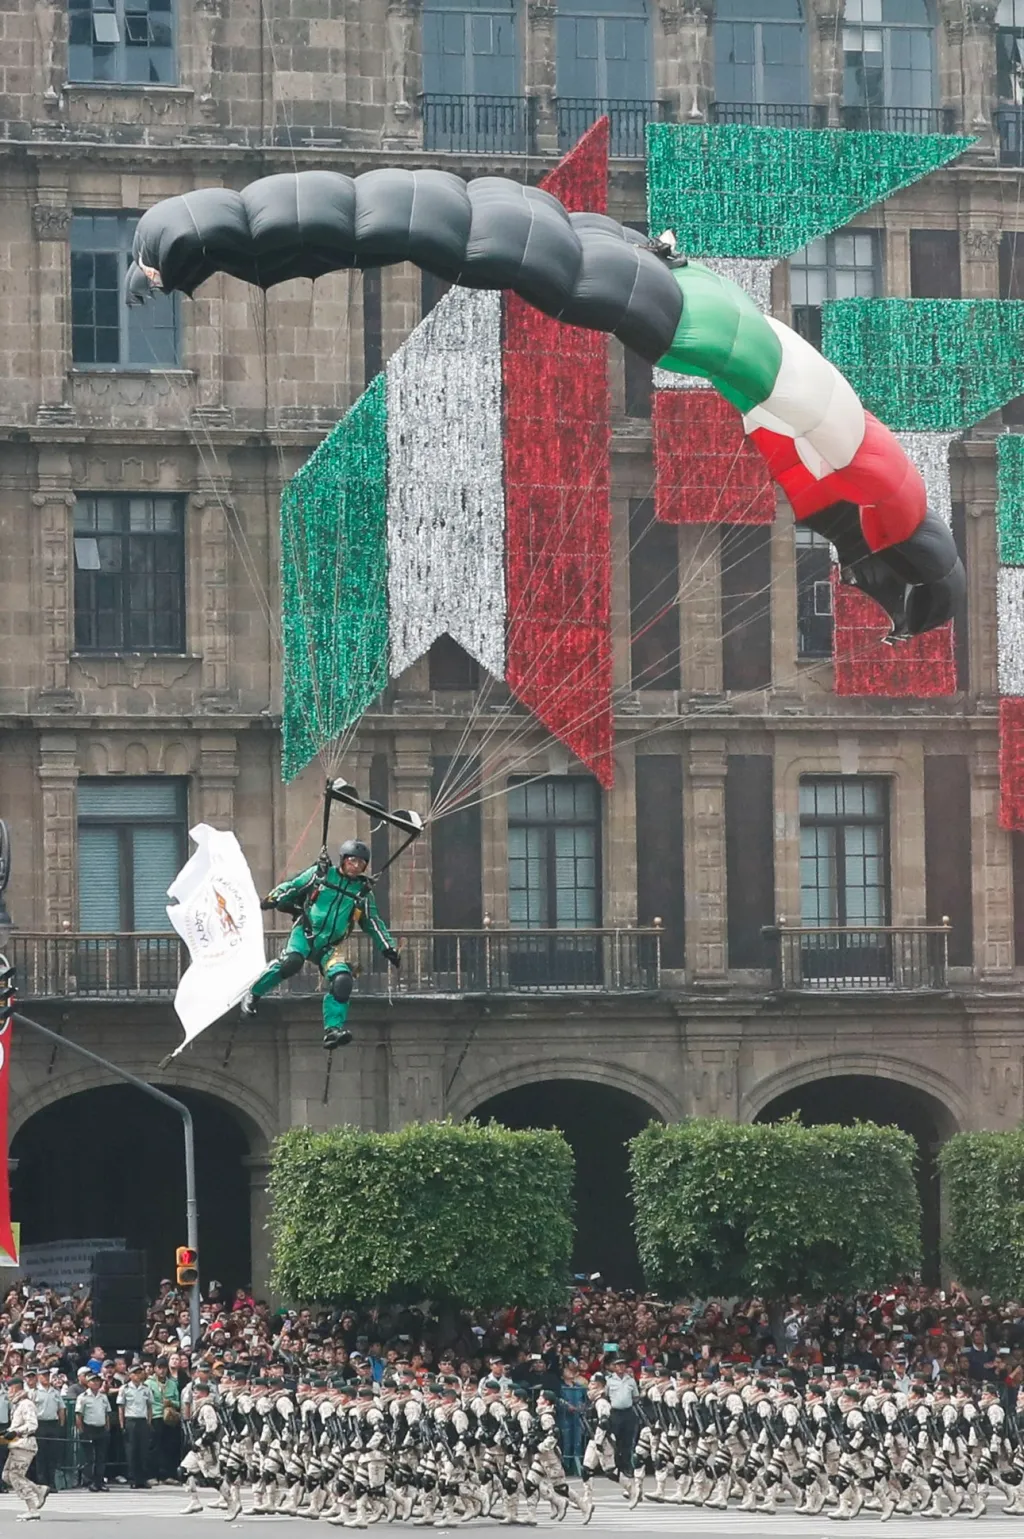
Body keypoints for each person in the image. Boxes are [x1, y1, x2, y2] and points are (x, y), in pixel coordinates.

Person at [241, 839, 400, 1049]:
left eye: (361, 864)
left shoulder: (362, 892)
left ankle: (333, 1030)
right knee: (292, 962)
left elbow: (372, 921)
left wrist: (387, 946)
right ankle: (254, 992)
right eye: (352, 861)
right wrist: (275, 897)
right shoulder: (321, 875)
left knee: (343, 980)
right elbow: (293, 886)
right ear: (343, 860)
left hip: (330, 946)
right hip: (306, 933)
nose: (355, 867)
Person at [5, 1376, 48, 1520]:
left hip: (24, 1444)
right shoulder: (17, 1405)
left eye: (9, 1389)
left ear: (15, 1388)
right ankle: (39, 1489)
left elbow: (32, 1425)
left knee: (15, 1475)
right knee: (6, 1475)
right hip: (16, 1444)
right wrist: (7, 1432)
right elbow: (15, 1426)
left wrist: (16, 1432)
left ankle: (32, 1509)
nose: (8, 1392)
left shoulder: (26, 1404)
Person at [117, 1364, 153, 1489]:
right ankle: (133, 1478)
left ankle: (143, 1479)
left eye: (140, 1373)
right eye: (135, 1373)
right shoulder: (125, 1389)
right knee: (132, 1451)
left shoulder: (146, 1389)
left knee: (143, 1451)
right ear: (130, 1375)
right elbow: (121, 1408)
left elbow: (149, 1407)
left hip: (142, 1421)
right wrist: (122, 1425)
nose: (138, 1375)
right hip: (130, 1420)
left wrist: (149, 1422)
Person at [75, 1372, 111, 1492]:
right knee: (90, 1458)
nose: (96, 1383)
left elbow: (106, 1414)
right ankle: (89, 1481)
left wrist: (107, 1428)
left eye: (97, 1381)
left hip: (101, 1429)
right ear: (88, 1383)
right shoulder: (83, 1397)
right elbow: (79, 1415)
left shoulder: (103, 1397)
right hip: (88, 1428)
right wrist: (81, 1431)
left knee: (101, 1458)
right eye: (93, 1381)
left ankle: (99, 1482)